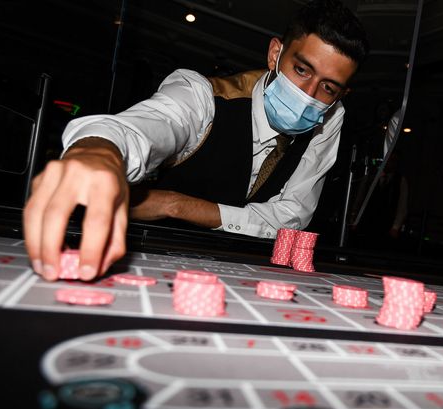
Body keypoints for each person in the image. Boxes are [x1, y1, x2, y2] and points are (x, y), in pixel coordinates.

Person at [23, 0, 369, 281]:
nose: (308, 95)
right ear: (275, 54)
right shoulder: (201, 94)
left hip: (243, 269)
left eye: (327, 87)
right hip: (147, 254)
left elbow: (290, 219)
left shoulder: (330, 116)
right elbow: (148, 125)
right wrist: (97, 151)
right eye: (302, 70)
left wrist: (174, 204)